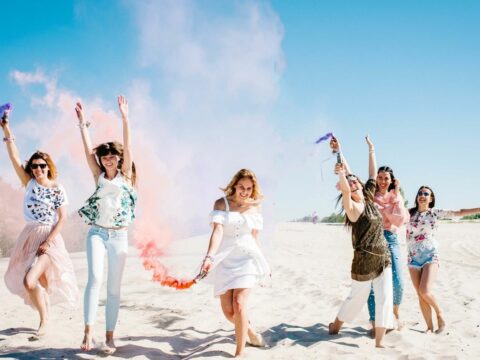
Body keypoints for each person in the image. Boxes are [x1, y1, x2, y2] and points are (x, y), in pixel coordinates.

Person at [1, 108, 78, 339]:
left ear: (48, 167)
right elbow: (14, 157)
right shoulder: (29, 183)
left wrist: (48, 241)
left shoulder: (56, 189)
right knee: (36, 282)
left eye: (42, 165)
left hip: (49, 238)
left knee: (30, 279)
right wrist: (6, 128)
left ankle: (44, 322)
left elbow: (62, 218)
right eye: (34, 166)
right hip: (28, 236)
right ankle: (45, 313)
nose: (37, 169)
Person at [75, 96, 137, 354]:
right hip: (97, 233)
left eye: (113, 156)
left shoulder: (128, 178)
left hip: (120, 237)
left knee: (113, 288)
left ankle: (110, 337)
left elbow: (129, 144)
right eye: (105, 157)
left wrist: (124, 117)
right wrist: (82, 125)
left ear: (120, 159)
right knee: (95, 279)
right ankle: (88, 331)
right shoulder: (98, 176)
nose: (109, 160)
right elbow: (86, 150)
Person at [328, 136, 393, 348]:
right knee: (356, 299)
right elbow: (347, 187)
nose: (354, 181)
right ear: (343, 186)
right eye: (350, 180)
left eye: (356, 179)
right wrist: (339, 170)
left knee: (385, 297)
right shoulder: (352, 207)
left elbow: (372, 174)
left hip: (383, 257)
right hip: (363, 262)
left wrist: (371, 150)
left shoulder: (368, 196)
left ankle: (380, 342)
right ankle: (336, 325)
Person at [200, 169, 270, 357]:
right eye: (241, 187)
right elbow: (218, 231)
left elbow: (255, 237)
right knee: (229, 312)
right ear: (234, 185)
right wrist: (209, 257)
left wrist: (263, 262)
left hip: (247, 257)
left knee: (240, 305)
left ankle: (240, 353)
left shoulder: (256, 207)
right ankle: (251, 332)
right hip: (224, 257)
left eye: (249, 188)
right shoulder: (221, 204)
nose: (245, 192)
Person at [407, 186, 480, 334]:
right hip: (412, 257)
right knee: (420, 295)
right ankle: (429, 327)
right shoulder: (409, 213)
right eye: (420, 193)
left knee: (425, 290)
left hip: (430, 254)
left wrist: (478, 209)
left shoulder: (434, 213)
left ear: (431, 198)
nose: (422, 195)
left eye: (426, 193)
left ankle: (440, 314)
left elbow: (459, 212)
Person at [366, 166, 409, 333]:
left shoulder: (396, 197)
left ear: (392, 181)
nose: (383, 181)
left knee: (397, 280)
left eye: (386, 178)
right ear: (376, 179)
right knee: (372, 282)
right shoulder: (370, 196)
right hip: (372, 239)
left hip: (391, 238)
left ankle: (395, 313)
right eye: (380, 178)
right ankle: (375, 321)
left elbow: (399, 220)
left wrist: (397, 192)